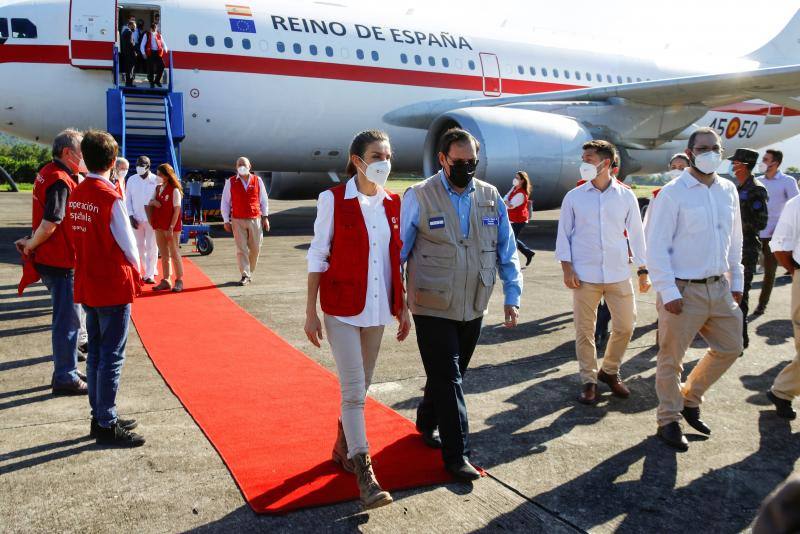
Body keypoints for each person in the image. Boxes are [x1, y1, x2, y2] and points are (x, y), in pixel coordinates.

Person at [401, 127, 522, 481]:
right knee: (450, 378)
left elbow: (506, 248)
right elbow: (399, 251)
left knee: (449, 374)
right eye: (459, 162)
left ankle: (426, 419)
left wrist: (512, 296)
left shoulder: (489, 195)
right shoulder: (420, 195)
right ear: (442, 159)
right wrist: (394, 302)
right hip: (432, 303)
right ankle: (458, 455)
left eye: (473, 162)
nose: (467, 168)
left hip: (474, 303)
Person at [305, 130, 410, 509]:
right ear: (357, 159)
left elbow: (395, 259)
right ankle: (364, 471)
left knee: (362, 387)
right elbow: (318, 256)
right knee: (352, 391)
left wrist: (404, 306)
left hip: (379, 308)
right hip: (341, 309)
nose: (383, 161)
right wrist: (310, 312)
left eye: (388, 155)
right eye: (376, 155)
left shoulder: (392, 203)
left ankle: (341, 445)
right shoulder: (332, 200)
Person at [646, 127, 744, 451]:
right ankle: (668, 420)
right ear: (689, 153)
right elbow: (655, 246)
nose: (709, 153)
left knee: (731, 346)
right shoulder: (673, 193)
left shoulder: (728, 189)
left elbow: (735, 239)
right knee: (671, 359)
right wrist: (668, 291)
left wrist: (737, 280)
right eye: (702, 148)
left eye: (715, 148)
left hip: (719, 286)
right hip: (682, 290)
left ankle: (690, 398)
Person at [66, 130, 145, 447]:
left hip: (88, 281)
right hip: (112, 284)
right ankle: (106, 422)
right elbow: (130, 247)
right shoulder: (110, 197)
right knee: (111, 356)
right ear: (113, 162)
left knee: (97, 352)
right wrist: (138, 275)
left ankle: (99, 414)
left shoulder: (77, 193)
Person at [556, 140, 649, 405]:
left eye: (588, 159)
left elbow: (636, 234)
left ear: (605, 163)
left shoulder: (626, 196)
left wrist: (643, 268)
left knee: (626, 326)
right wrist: (567, 267)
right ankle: (588, 380)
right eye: (583, 158)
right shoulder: (574, 197)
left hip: (619, 273)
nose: (583, 163)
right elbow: (564, 235)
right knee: (584, 332)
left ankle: (609, 370)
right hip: (584, 275)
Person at [15, 129, 87, 395]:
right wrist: (32, 243)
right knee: (68, 322)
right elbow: (51, 222)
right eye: (80, 152)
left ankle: (66, 367)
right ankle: (65, 376)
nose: (84, 157)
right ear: (67, 153)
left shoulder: (48, 172)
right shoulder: (59, 179)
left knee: (68, 320)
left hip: (53, 258)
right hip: (60, 260)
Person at [765, 193, 800, 420]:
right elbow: (779, 245)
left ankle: (783, 391)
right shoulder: (796, 204)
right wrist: (795, 272)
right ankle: (782, 390)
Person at [730, 148, 768, 349]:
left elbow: (761, 222)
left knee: (741, 294)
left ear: (743, 165)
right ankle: (734, 339)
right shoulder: (739, 186)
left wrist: (738, 224)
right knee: (732, 294)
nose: (732, 166)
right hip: (735, 246)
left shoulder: (756, 189)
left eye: (735, 162)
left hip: (748, 249)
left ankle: (741, 341)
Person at [755, 149, 800, 316]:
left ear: (776, 163)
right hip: (755, 234)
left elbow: (796, 207)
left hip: (774, 235)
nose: (763, 162)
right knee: (747, 271)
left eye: (766, 159)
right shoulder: (757, 181)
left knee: (769, 272)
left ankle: (762, 305)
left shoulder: (787, 181)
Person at [221, 158, 270, 286]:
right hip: (237, 220)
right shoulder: (230, 182)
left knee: (255, 248)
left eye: (244, 164)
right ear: (236, 167)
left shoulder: (257, 180)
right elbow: (225, 202)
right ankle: (245, 274)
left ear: (250, 166)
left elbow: (264, 200)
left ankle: (249, 270)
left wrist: (265, 217)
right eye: (239, 164)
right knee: (241, 248)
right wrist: (226, 220)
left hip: (255, 219)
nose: (241, 166)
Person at [147, 163, 184, 292]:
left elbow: (177, 210)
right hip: (159, 226)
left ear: (167, 176)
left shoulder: (174, 190)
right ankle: (166, 279)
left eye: (160, 174)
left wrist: (171, 227)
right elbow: (150, 201)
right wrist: (154, 202)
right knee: (163, 254)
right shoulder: (157, 188)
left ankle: (179, 280)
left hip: (171, 227)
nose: (157, 177)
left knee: (174, 253)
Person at [125, 156, 158, 284]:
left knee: (151, 246)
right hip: (136, 218)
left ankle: (149, 274)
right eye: (137, 164)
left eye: (142, 164)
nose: (139, 166)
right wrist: (130, 216)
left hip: (151, 219)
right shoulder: (132, 180)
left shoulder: (156, 180)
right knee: (139, 247)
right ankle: (147, 268)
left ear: (148, 166)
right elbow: (128, 199)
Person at [503, 171, 535, 266]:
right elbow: (505, 197)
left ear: (522, 181)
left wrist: (506, 201)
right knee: (512, 239)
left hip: (519, 220)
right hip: (512, 218)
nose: (515, 179)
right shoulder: (514, 189)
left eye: (517, 178)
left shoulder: (521, 194)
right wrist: (506, 201)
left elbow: (511, 206)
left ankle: (511, 260)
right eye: (515, 177)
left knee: (511, 239)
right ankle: (528, 253)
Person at [140, 23, 167, 88]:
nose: (154, 30)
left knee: (162, 66)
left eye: (155, 28)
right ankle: (151, 82)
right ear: (151, 28)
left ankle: (157, 80)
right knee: (151, 68)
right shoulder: (147, 35)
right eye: (153, 28)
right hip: (150, 53)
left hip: (157, 53)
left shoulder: (159, 35)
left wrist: (165, 49)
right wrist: (143, 53)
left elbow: (163, 43)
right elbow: (142, 45)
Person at [119, 18, 137, 87]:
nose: (134, 28)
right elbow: (131, 43)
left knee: (128, 69)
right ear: (129, 25)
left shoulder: (124, 32)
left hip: (126, 53)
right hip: (130, 53)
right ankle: (130, 84)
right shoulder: (129, 32)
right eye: (134, 26)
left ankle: (128, 83)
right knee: (130, 68)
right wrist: (136, 50)